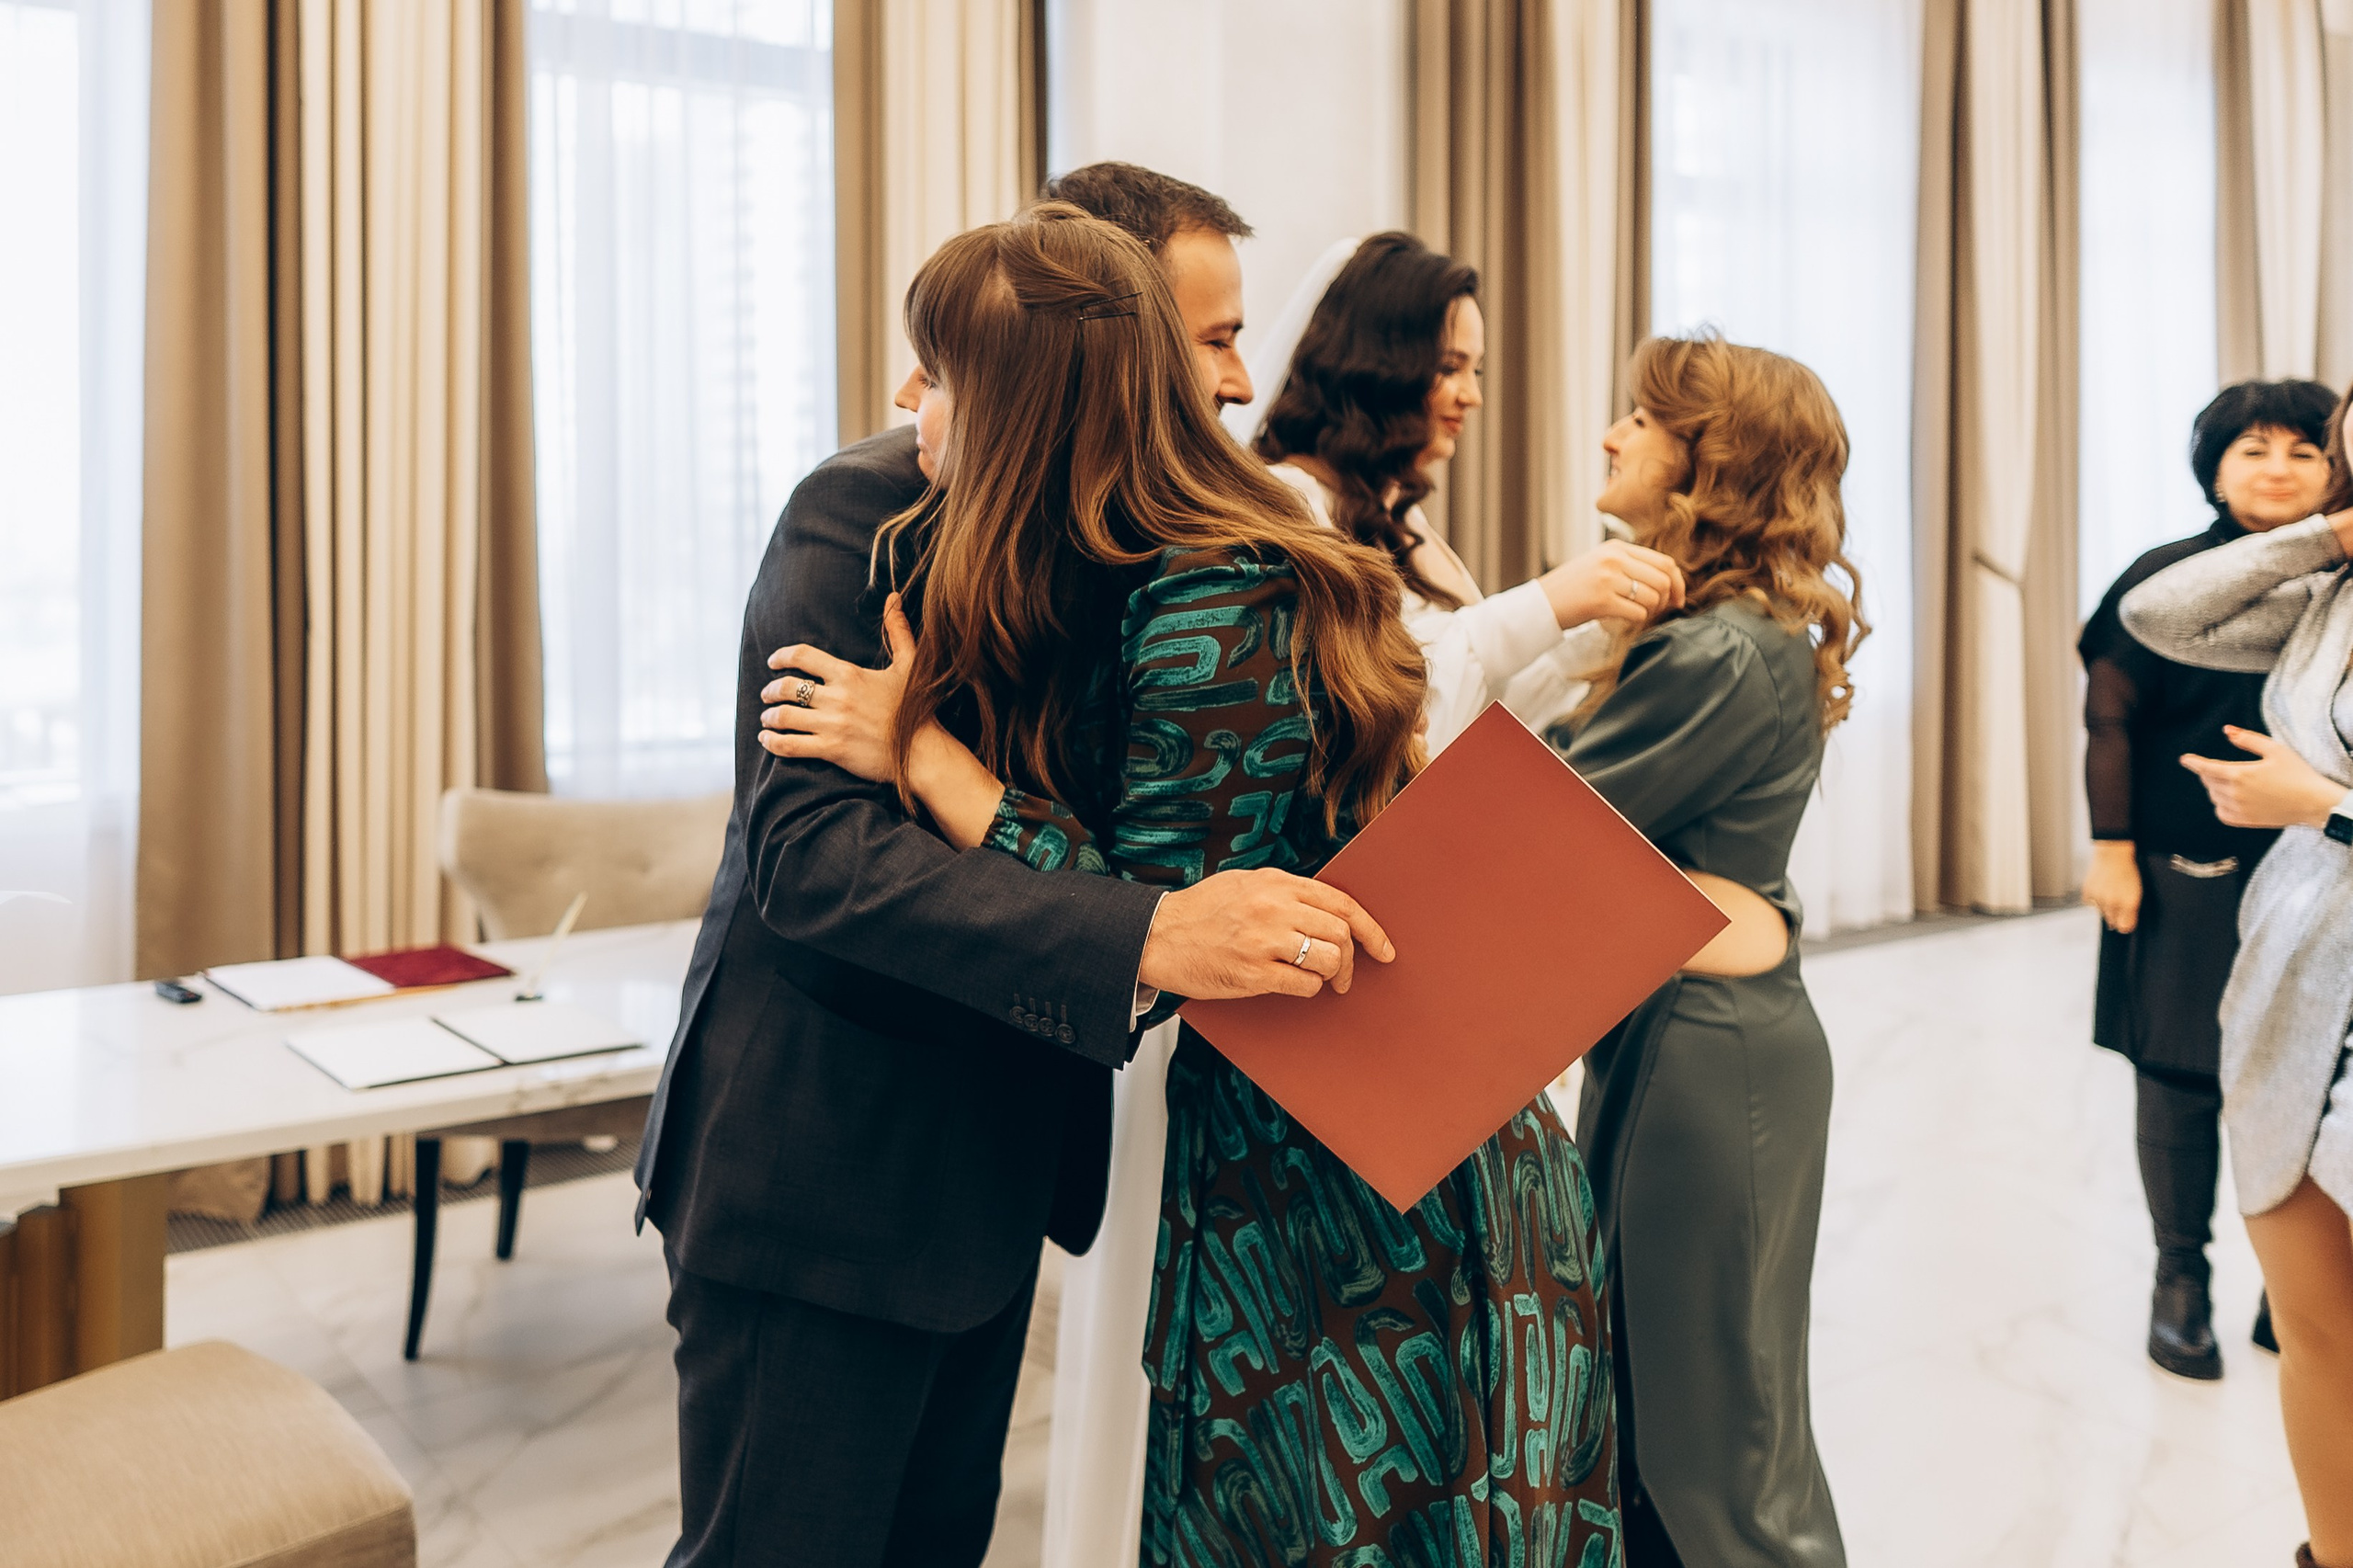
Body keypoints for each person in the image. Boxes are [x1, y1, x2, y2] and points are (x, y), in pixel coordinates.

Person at [766, 221, 1680, 1565]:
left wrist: (934, 763)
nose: (912, 400)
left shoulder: (1211, 588)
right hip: (1315, 1144)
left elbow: (1183, 930)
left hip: (1363, 1190)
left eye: (937, 372)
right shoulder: (1173, 554)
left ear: (1024, 407)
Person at [633, 174, 1401, 1566]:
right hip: (819, 1171)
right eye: (1210, 340)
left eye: (935, 368)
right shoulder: (863, 515)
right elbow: (811, 859)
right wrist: (1144, 937)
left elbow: (1145, 828)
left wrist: (935, 760)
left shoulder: (1160, 553)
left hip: (989, 1177)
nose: (1232, 381)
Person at [1557, 333, 1864, 1567]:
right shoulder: (1733, 633)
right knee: (1677, 1417)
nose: (1611, 435)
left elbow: (1536, 827)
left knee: (1716, 1457)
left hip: (1704, 1062)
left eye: (1640, 419)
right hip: (1690, 1036)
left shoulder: (1718, 651)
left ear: (1710, 462)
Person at [2120, 454, 2353, 1568]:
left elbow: (2323, 800)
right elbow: (2155, 611)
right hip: (2296, 985)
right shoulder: (2330, 594)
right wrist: (2324, 537)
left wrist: (2325, 805)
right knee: (2316, 1330)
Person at [2078, 378, 2337, 1380]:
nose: (2278, 469)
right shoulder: (2170, 579)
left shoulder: (2336, 590)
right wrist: (2111, 848)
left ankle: (2293, 1281)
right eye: (2253, 449)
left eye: (2303, 451)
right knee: (2180, 1073)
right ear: (2214, 469)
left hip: (2318, 869)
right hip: (2186, 864)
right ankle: (2178, 1278)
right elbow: (2109, 719)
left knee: (2307, 1075)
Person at [1253, 231, 1687, 748]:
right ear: (1378, 368)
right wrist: (1549, 600)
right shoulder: (1286, 508)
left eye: (1474, 370)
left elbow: (1481, 712)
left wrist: (1599, 626)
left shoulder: (1399, 517)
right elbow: (1394, 716)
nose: (1473, 396)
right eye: (1449, 368)